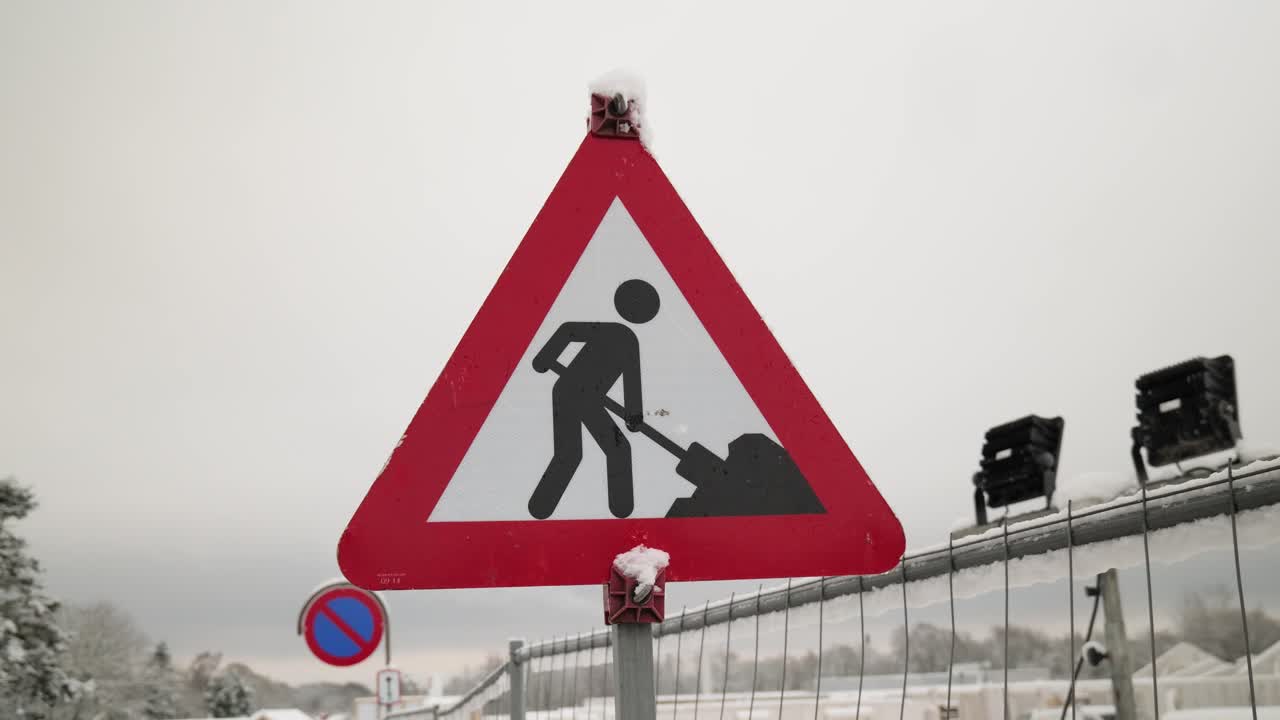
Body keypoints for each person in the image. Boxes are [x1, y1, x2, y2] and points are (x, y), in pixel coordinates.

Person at [527, 279, 660, 519]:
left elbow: (632, 381)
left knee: (617, 450)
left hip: (589, 399)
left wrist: (634, 415)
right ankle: (540, 509)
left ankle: (621, 514)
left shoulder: (628, 340)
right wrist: (544, 358)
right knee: (572, 454)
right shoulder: (615, 332)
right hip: (569, 392)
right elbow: (568, 330)